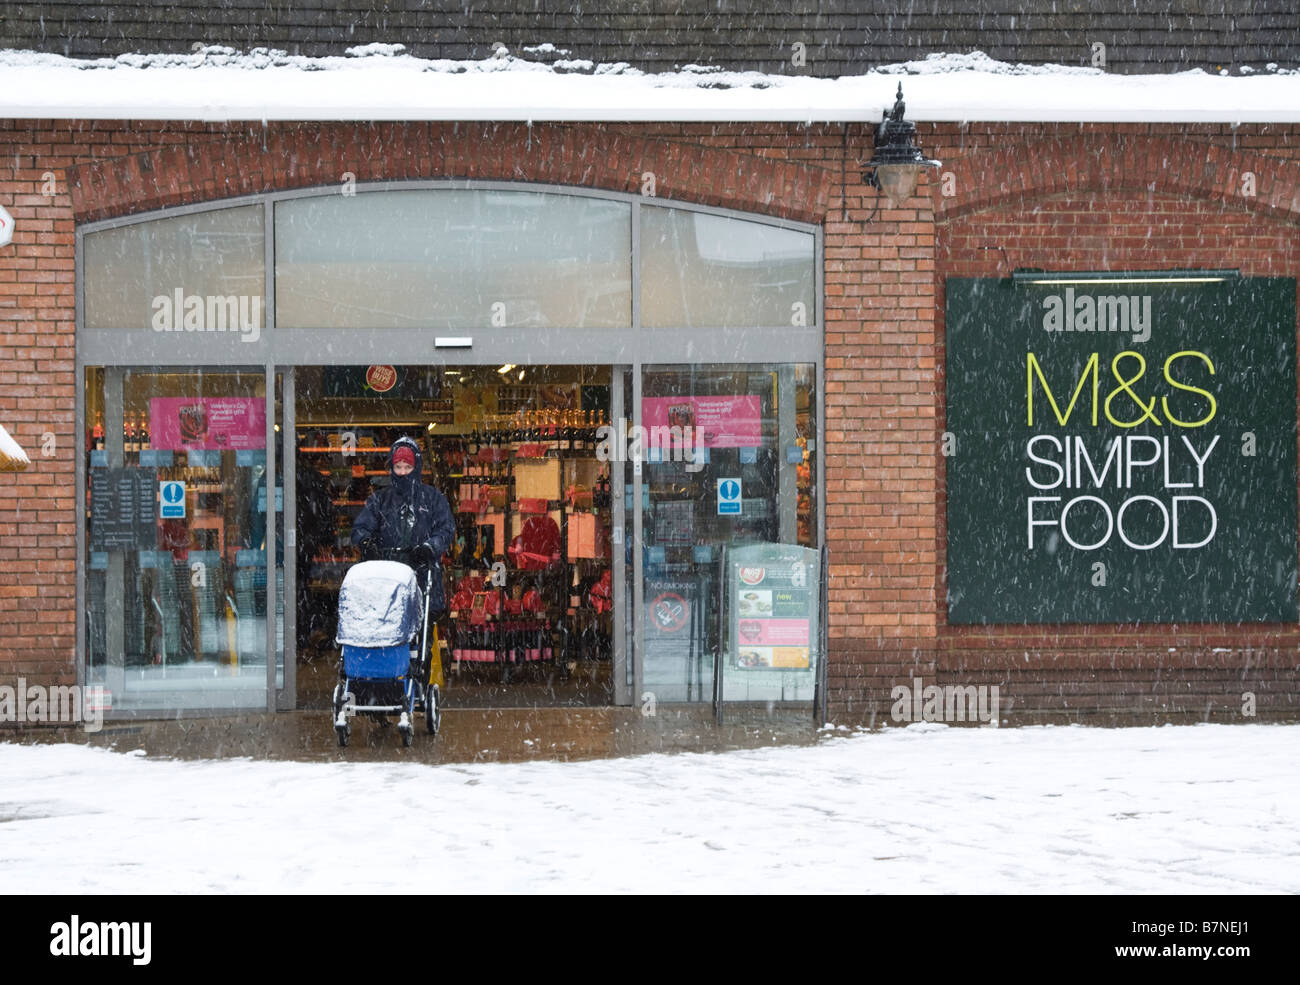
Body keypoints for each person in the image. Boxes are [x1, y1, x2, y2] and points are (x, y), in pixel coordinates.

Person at [350, 436, 455, 616]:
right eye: (398, 467)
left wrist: (429, 548)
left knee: (421, 629)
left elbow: (445, 529)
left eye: (408, 467)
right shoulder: (380, 500)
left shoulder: (432, 498)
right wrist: (367, 544)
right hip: (386, 577)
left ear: (417, 468)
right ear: (392, 468)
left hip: (422, 574)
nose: (403, 473)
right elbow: (361, 528)